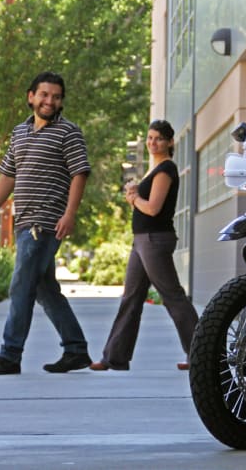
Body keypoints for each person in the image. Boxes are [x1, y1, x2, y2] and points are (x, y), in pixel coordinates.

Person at [0, 71, 93, 375]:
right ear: (31, 96)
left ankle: (10, 355)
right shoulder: (19, 133)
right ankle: (76, 349)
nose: (49, 101)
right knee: (43, 289)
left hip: (45, 222)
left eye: (55, 96)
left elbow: (79, 173)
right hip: (23, 220)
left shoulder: (69, 132)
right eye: (44, 95)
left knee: (21, 286)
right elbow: (8, 174)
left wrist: (69, 214)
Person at [90, 119, 199, 372]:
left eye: (158, 138)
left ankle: (201, 353)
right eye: (150, 138)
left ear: (170, 142)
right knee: (131, 298)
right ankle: (114, 358)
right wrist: (135, 196)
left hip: (154, 239)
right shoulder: (155, 169)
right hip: (142, 241)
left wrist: (134, 197)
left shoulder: (165, 170)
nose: (152, 142)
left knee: (173, 297)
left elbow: (152, 208)